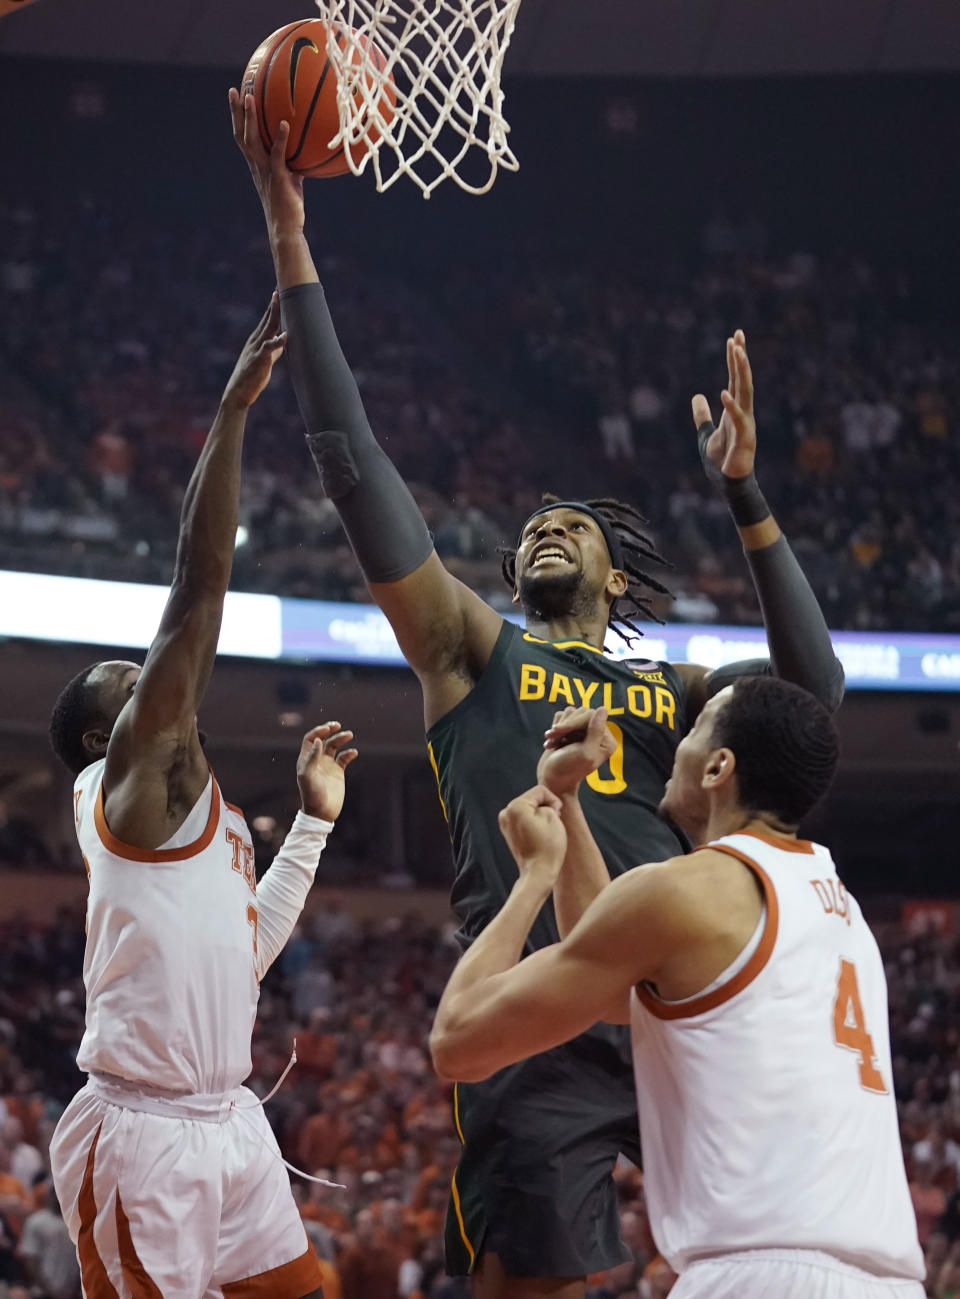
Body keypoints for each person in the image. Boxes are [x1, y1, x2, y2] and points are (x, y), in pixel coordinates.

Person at [230, 93, 846, 1297]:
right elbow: (359, 479)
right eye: (532, 528)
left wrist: (749, 495)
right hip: (539, 1010)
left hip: (684, 1002)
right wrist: (290, 235)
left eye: (573, 525)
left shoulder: (684, 694)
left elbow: (812, 697)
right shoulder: (473, 654)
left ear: (615, 575)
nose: (547, 528)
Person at [46, 298, 358, 1298]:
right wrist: (228, 419)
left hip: (229, 1119)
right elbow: (197, 592)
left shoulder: (206, 818)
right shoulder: (125, 791)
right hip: (140, 1134)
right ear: (106, 741)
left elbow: (248, 951)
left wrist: (312, 821)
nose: (150, 686)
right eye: (127, 688)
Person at [429, 680, 924, 1298]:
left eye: (692, 732)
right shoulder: (839, 908)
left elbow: (459, 1042)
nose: (674, 747)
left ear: (719, 767)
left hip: (760, 1276)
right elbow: (613, 971)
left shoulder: (684, 891)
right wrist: (567, 799)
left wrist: (533, 877)